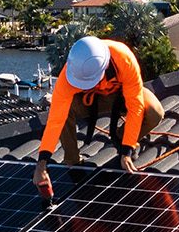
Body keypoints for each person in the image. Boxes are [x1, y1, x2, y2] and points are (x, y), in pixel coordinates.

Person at [32, 35, 164, 189]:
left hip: (121, 97)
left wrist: (127, 149)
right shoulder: (71, 72)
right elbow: (56, 120)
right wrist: (41, 164)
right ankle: (73, 162)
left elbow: (135, 106)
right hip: (90, 100)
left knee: (155, 111)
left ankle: (122, 140)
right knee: (64, 111)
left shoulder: (123, 58)